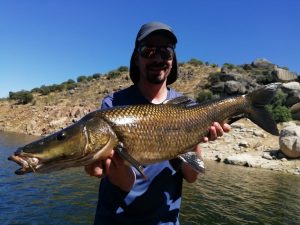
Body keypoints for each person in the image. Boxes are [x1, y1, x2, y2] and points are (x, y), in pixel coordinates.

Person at [85, 21, 230, 225]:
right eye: (149, 50)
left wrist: (200, 140)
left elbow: (190, 176)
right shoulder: (113, 104)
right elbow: (123, 183)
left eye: (166, 52)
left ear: (173, 59)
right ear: (136, 58)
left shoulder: (188, 106)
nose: (159, 58)